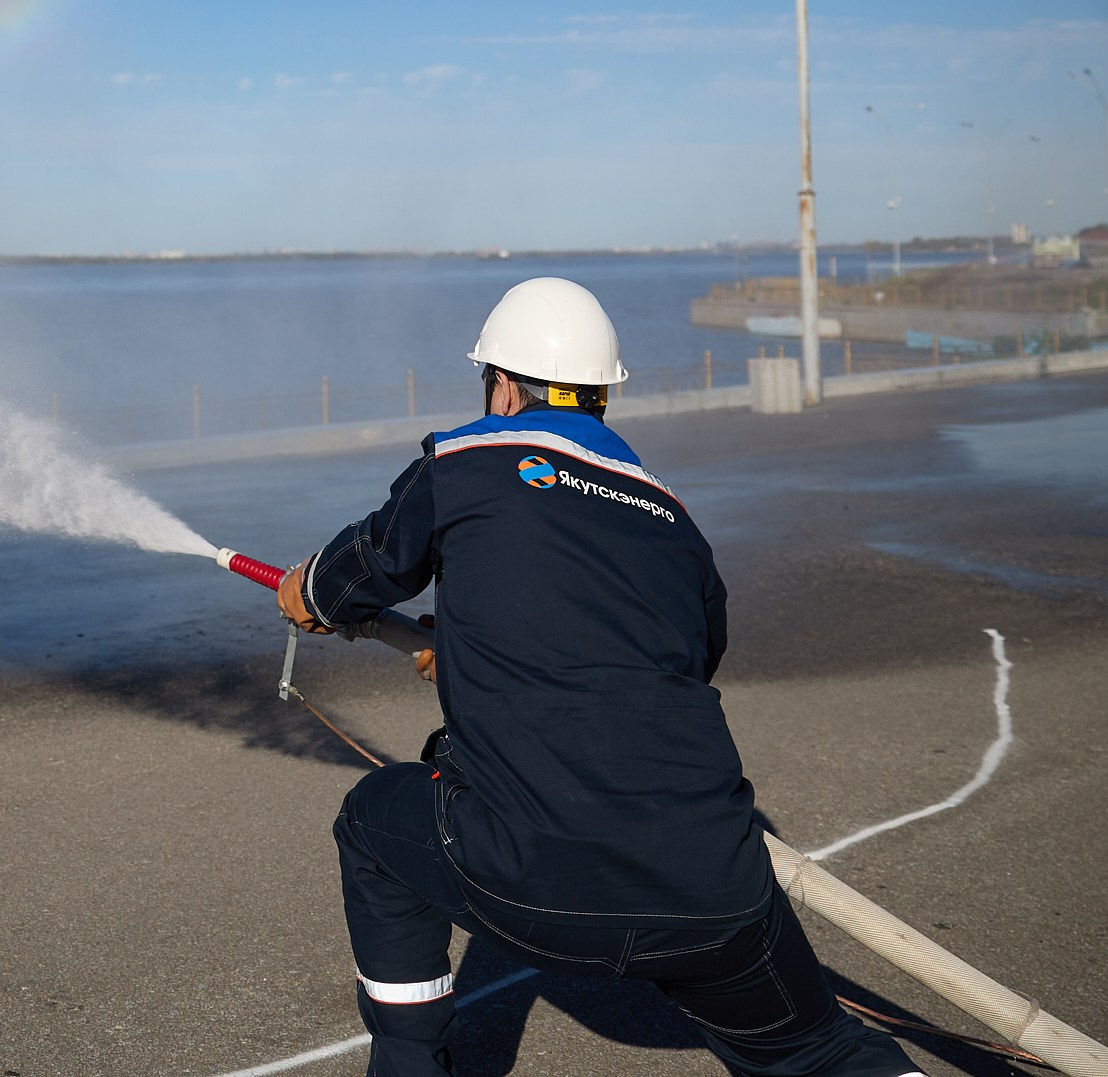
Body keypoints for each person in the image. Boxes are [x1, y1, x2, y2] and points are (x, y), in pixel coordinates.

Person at [273, 277, 921, 1077]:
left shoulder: (467, 458)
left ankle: (410, 1065)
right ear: (600, 397)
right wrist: (483, 637)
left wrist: (305, 590)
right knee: (817, 1050)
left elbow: (359, 573)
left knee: (373, 822)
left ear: (502, 385)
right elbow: (673, 661)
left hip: (536, 878)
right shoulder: (672, 518)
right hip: (717, 895)